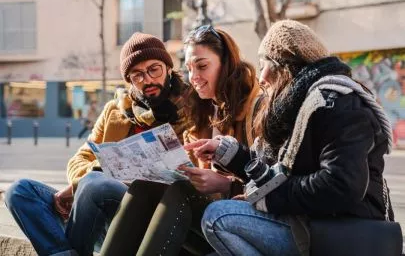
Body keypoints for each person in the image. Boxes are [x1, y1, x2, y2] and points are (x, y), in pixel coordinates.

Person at [188, 20, 395, 256]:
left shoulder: (336, 102)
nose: (261, 77)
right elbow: (274, 172)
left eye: (264, 63)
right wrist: (230, 154)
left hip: (337, 229)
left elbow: (341, 185)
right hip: (308, 220)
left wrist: (270, 197)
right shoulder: (297, 105)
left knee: (217, 217)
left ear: (284, 66)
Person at [5, 32, 193, 256]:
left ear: (168, 68)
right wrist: (80, 184)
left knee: (95, 183)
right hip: (98, 215)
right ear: (129, 80)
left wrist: (94, 177)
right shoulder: (115, 111)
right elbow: (80, 159)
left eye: (154, 69)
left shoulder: (190, 109)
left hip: (148, 213)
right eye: (137, 75)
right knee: (20, 191)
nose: (148, 80)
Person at [99, 25, 262, 255]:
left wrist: (226, 184)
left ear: (226, 63)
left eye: (202, 66)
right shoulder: (202, 111)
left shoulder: (258, 108)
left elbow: (276, 182)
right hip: (209, 213)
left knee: (179, 192)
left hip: (246, 220)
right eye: (189, 68)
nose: (194, 77)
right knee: (144, 185)